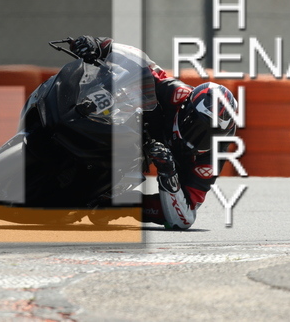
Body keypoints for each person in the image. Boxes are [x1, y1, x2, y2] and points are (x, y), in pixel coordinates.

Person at [69, 35, 238, 230]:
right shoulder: (177, 95)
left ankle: (117, 204)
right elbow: (145, 64)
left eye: (211, 136)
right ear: (187, 111)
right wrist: (101, 45)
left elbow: (184, 217)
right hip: (135, 124)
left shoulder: (210, 160)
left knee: (178, 219)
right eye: (200, 130)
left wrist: (168, 171)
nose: (201, 139)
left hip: (155, 159)